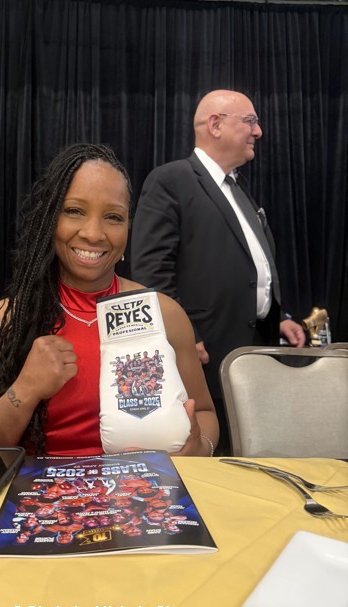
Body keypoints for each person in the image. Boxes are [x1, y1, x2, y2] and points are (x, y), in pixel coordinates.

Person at [0, 143, 218, 457]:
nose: (93, 233)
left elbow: (205, 413)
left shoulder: (164, 313)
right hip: (38, 488)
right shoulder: (9, 317)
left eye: (113, 217)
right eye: (74, 211)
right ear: (50, 219)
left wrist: (200, 447)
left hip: (143, 485)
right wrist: (26, 388)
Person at [130, 90, 305, 453]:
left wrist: (277, 317)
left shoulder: (237, 189)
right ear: (215, 124)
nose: (258, 131)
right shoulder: (171, 180)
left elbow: (250, 267)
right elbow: (151, 273)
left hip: (253, 353)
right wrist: (185, 337)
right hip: (204, 357)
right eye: (250, 121)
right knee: (214, 460)